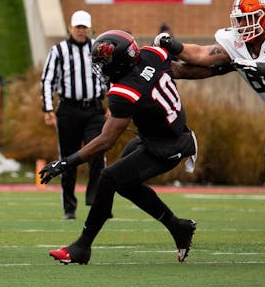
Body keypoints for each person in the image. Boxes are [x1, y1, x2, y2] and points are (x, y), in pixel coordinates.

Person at [155, 0, 265, 265]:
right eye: (240, 20)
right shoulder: (235, 42)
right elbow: (202, 56)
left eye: (249, 19)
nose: (242, 26)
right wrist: (174, 47)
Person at [39, 30, 199, 264]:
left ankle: (82, 247)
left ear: (119, 62)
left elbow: (106, 141)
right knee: (124, 184)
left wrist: (66, 162)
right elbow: (185, 70)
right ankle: (178, 227)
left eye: (103, 63)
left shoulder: (124, 91)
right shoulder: (151, 55)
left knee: (109, 178)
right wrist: (225, 65)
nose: (100, 69)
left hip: (168, 146)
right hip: (158, 136)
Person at [40, 10, 107, 219]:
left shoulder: (98, 48)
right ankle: (69, 207)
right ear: (71, 28)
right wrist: (48, 108)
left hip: (95, 109)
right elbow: (47, 80)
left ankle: (95, 200)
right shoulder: (59, 50)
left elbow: (112, 75)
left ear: (89, 28)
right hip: (68, 109)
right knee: (67, 159)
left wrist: (114, 104)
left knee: (97, 152)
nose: (81, 31)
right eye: (77, 27)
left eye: (84, 27)